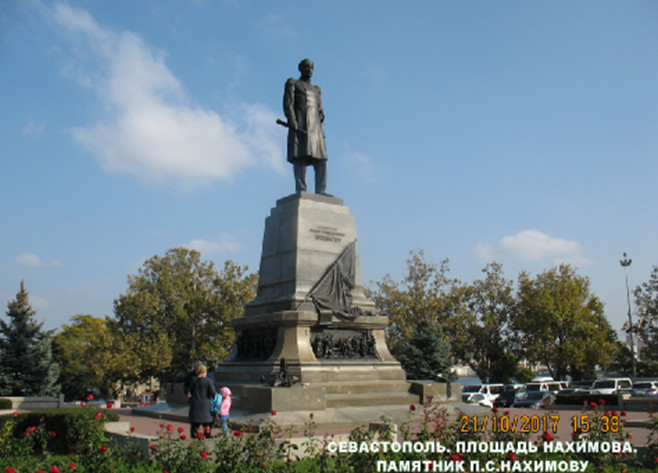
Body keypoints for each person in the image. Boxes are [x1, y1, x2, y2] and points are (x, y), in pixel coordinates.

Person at [283, 58, 328, 194]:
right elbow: (288, 104)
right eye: (307, 67)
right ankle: (301, 188)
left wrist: (321, 121)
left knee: (321, 160)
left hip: (315, 129)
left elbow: (320, 110)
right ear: (301, 69)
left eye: (312, 68)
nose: (310, 70)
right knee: (300, 158)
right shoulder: (293, 83)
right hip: (301, 124)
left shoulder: (316, 89)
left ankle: (321, 190)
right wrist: (292, 121)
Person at [188, 363, 216, 438]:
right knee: (206, 423)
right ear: (204, 372)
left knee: (194, 424)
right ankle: (207, 436)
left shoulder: (193, 380)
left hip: (195, 403)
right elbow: (213, 392)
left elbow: (190, 390)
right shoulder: (208, 381)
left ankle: (193, 437)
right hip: (205, 404)